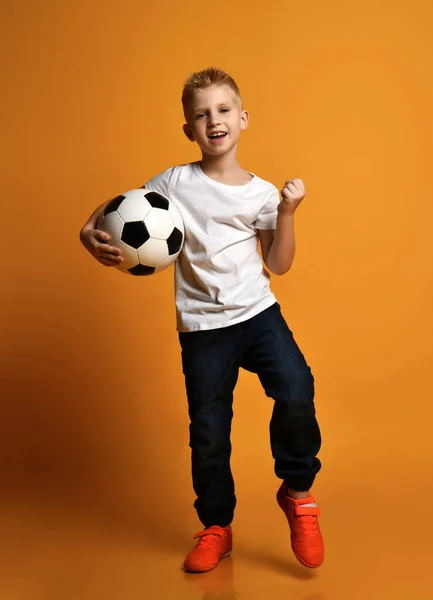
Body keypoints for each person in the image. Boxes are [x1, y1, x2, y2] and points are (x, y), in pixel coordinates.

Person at [79, 67, 324, 573]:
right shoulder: (173, 182)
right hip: (202, 330)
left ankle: (298, 493)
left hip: (257, 315)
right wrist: (87, 230)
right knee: (209, 432)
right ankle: (217, 525)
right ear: (189, 129)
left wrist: (289, 211)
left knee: (297, 387)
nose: (214, 120)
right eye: (201, 114)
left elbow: (278, 264)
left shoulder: (260, 195)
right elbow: (120, 209)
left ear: (242, 118)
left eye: (223, 110)